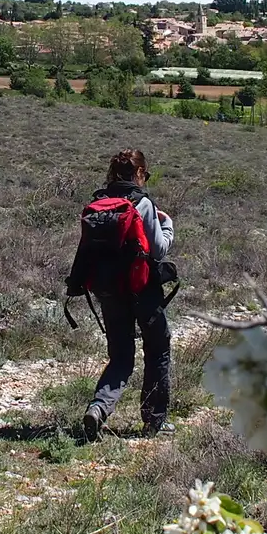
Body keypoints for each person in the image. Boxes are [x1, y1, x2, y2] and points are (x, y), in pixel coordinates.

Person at [78, 149, 173, 440]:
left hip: (109, 291)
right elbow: (158, 249)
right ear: (140, 173)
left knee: (120, 356)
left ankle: (99, 408)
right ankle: (154, 421)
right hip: (143, 290)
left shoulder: (99, 203)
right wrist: (167, 226)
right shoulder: (141, 202)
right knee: (157, 349)